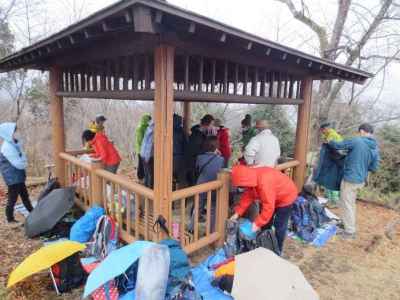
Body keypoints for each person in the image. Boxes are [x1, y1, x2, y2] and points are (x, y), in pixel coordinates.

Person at [230, 165, 298, 254]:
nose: (241, 188)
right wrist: (237, 213)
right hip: (272, 197)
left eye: (241, 186)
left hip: (286, 196)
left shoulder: (264, 182)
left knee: (280, 225)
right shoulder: (251, 178)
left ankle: (277, 250)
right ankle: (264, 243)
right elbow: (247, 197)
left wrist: (257, 223)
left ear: (245, 181)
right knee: (266, 223)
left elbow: (269, 207)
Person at [328, 123, 380, 239]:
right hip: (360, 180)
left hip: (351, 178)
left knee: (347, 203)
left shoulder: (357, 141)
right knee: (349, 202)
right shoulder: (374, 147)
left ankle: (350, 231)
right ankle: (345, 223)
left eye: (359, 132)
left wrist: (330, 140)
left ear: (362, 131)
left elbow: (339, 145)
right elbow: (374, 167)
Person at [189, 136, 224, 232]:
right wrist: (219, 155)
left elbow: (197, 169)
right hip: (214, 187)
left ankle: (191, 229)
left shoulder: (199, 158)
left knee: (198, 207)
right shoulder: (220, 159)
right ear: (217, 147)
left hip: (201, 185)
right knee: (213, 209)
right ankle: (209, 231)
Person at [0, 123, 33, 224]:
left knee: (24, 195)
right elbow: (18, 163)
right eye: (14, 131)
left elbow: (22, 157)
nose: (16, 133)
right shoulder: (7, 147)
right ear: (8, 133)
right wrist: (24, 163)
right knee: (13, 198)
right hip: (12, 177)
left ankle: (32, 212)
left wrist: (23, 161)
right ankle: (10, 218)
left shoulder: (13, 143)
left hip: (17, 175)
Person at [313, 122, 344, 207]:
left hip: (335, 160)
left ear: (325, 129)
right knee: (328, 181)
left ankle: (335, 202)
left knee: (333, 181)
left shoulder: (332, 134)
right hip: (330, 160)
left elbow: (331, 146)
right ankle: (330, 200)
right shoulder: (327, 135)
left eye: (322, 130)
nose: (322, 132)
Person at [135, 113, 151, 181]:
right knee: (141, 163)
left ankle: (144, 176)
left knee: (144, 164)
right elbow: (140, 140)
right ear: (146, 119)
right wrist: (144, 148)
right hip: (141, 149)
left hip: (145, 149)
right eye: (149, 119)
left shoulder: (148, 127)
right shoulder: (140, 128)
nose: (150, 121)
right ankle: (140, 177)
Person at [172, 114, 187, 188]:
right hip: (179, 157)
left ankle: (169, 195)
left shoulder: (167, 129)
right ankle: (180, 196)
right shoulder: (181, 131)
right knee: (180, 178)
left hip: (168, 157)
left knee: (170, 177)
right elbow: (185, 144)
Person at [140, 122, 155, 188]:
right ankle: (150, 191)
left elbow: (144, 144)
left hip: (143, 154)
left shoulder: (148, 130)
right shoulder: (153, 133)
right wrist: (148, 157)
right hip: (148, 156)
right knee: (150, 174)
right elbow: (149, 146)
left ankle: (146, 189)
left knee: (146, 173)